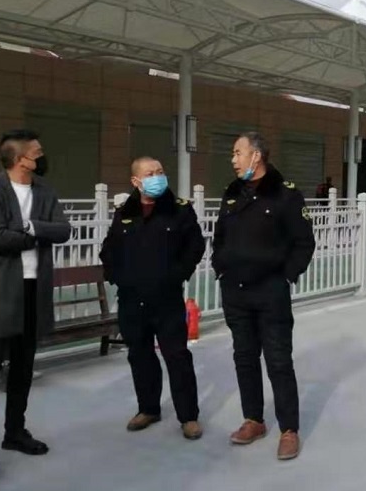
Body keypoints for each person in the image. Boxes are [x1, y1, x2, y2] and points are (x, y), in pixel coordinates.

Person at [0, 129, 71, 476]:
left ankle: (15, 432)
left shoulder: (45, 191)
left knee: (23, 368)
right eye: (37, 153)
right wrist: (37, 234)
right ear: (20, 159)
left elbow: (63, 230)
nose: (42, 156)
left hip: (32, 290)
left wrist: (28, 228)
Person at [211, 132, 315, 460]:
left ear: (256, 156)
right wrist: (220, 269)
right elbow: (219, 237)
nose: (233, 159)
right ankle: (253, 420)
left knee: (278, 361)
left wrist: (285, 277)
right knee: (244, 357)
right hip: (235, 292)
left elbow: (304, 243)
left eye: (237, 152)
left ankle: (289, 429)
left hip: (270, 292)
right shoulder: (232, 192)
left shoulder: (285, 194)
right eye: (233, 154)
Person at [99, 157, 206, 440]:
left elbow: (195, 246)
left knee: (177, 356)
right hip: (132, 299)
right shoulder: (125, 211)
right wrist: (116, 275)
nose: (157, 177)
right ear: (136, 181)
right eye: (150, 173)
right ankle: (148, 408)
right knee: (140, 355)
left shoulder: (179, 210)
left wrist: (177, 274)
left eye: (160, 171)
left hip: (166, 298)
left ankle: (188, 416)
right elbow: (109, 248)